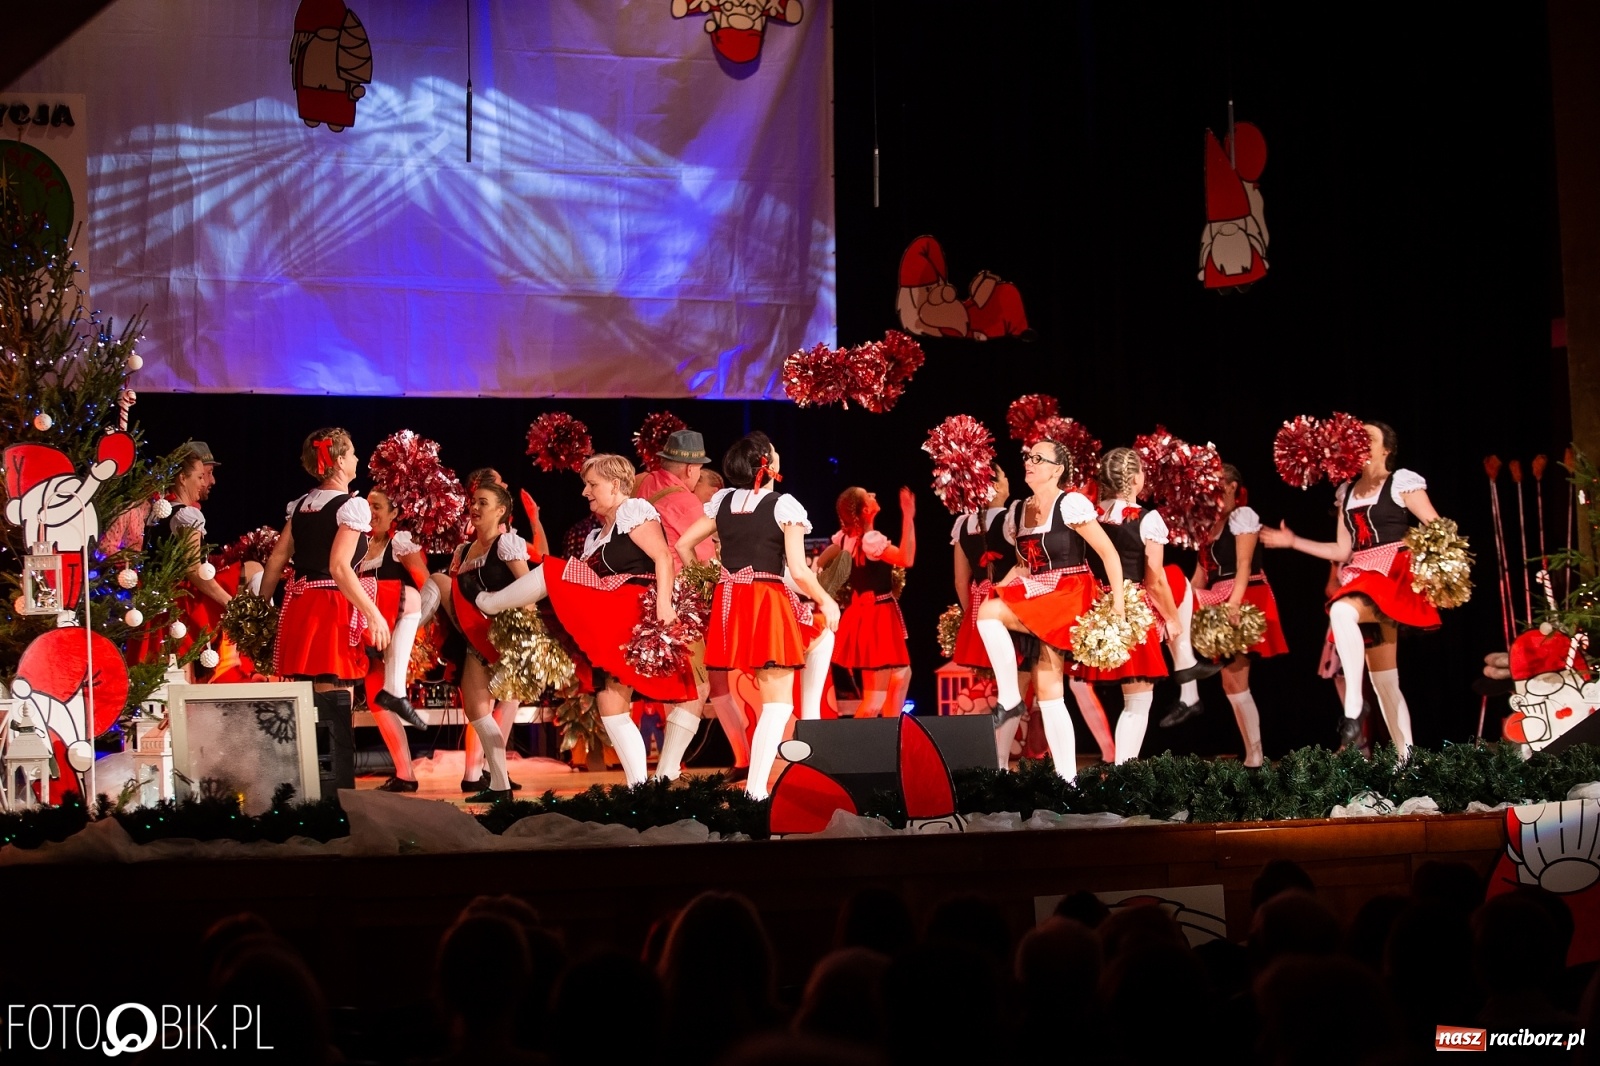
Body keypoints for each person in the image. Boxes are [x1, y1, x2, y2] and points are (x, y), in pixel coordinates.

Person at [474, 454, 700, 788]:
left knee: (555, 572)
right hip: (610, 614)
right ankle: (640, 788)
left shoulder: (634, 510)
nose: (585, 492)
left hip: (631, 610)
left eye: (592, 485)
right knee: (610, 702)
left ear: (615, 484)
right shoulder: (599, 534)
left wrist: (665, 605)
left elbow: (663, 557)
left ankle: (490, 603)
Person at [673, 433, 841, 799]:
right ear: (767, 463)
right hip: (766, 602)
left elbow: (683, 544)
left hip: (731, 602)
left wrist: (708, 581)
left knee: (813, 645)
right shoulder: (784, 505)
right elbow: (799, 569)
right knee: (779, 704)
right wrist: (827, 600)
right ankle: (756, 791)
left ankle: (787, 760)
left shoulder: (723, 502)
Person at [1261, 421, 1439, 754]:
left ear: (1385, 449)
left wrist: (1433, 568)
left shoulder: (1401, 482)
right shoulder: (1347, 492)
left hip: (1393, 574)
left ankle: (1354, 707)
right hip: (1362, 575)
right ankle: (1407, 762)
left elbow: (1437, 526)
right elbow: (1343, 551)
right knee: (1385, 681)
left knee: (1342, 611)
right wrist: (1293, 541)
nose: (1361, 443)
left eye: (1369, 438)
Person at [975, 438, 1125, 779]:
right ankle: (1068, 781)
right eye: (1028, 456)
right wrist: (1001, 588)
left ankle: (1011, 699)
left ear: (1057, 469)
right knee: (1049, 692)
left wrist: (1117, 604)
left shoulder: (1070, 503)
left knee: (991, 614)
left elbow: (1108, 554)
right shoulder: (1019, 509)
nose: (1029, 462)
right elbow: (1024, 564)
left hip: (1068, 591)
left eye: (1038, 458)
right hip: (1036, 591)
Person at [259, 428, 391, 790]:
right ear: (337, 462)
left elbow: (276, 562)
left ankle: (306, 791)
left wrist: (262, 611)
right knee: (334, 705)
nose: (357, 460)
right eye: (351, 454)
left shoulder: (303, 504)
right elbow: (339, 567)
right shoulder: (351, 505)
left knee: (306, 702)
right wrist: (373, 613)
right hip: (330, 607)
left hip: (300, 606)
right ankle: (336, 797)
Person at [1072, 448, 1184, 765]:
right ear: (1135, 479)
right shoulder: (1148, 520)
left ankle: (1119, 769)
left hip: (1097, 609)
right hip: (1132, 608)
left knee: (1125, 698)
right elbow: (1155, 580)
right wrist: (1172, 619)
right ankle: (1123, 775)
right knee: (1137, 700)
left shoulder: (1088, 515)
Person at [1180, 463, 1288, 767]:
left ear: (1231, 487)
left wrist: (1234, 604)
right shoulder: (1207, 526)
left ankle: (1255, 757)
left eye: (1216, 485)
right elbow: (1199, 578)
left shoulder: (1243, 516)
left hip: (1245, 594)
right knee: (1231, 683)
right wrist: (1174, 607)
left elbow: (1243, 566)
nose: (1210, 493)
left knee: (1236, 680)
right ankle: (1189, 692)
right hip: (1215, 595)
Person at [949, 462, 1052, 758]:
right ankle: (1025, 750)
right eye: (1005, 476)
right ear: (994, 485)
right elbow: (1026, 565)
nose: (1009, 481)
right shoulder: (1012, 517)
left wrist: (974, 618)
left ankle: (1003, 760)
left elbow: (960, 580)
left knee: (1010, 686)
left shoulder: (963, 524)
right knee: (1030, 680)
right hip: (1015, 605)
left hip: (982, 606)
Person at [440, 481, 529, 800]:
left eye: (483, 503)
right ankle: (500, 785)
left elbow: (529, 589)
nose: (474, 508)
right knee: (477, 712)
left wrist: (524, 640)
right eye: (473, 502)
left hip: (502, 636)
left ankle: (499, 784)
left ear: (501, 510)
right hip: (472, 635)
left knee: (435, 581)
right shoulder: (463, 550)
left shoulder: (507, 544)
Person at [151, 441, 263, 681]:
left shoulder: (159, 511)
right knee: (252, 570)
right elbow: (192, 569)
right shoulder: (187, 514)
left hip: (159, 601)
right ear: (182, 478)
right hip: (183, 602)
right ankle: (254, 642)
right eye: (201, 476)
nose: (206, 482)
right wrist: (230, 604)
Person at [819, 486, 917, 717]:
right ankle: (860, 745)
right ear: (865, 510)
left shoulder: (845, 540)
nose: (874, 494)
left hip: (865, 614)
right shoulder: (870, 541)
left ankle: (893, 731)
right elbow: (906, 558)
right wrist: (908, 516)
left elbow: (822, 561)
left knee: (902, 674)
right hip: (877, 618)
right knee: (874, 700)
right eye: (868, 496)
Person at [358, 487, 430, 791]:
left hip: (395, 631)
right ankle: (405, 775)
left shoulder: (399, 544)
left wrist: (415, 630)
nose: (371, 512)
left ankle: (406, 775)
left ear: (394, 514)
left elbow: (427, 586)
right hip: (366, 633)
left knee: (383, 697)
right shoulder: (357, 546)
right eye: (367, 506)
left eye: (377, 507)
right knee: (378, 703)